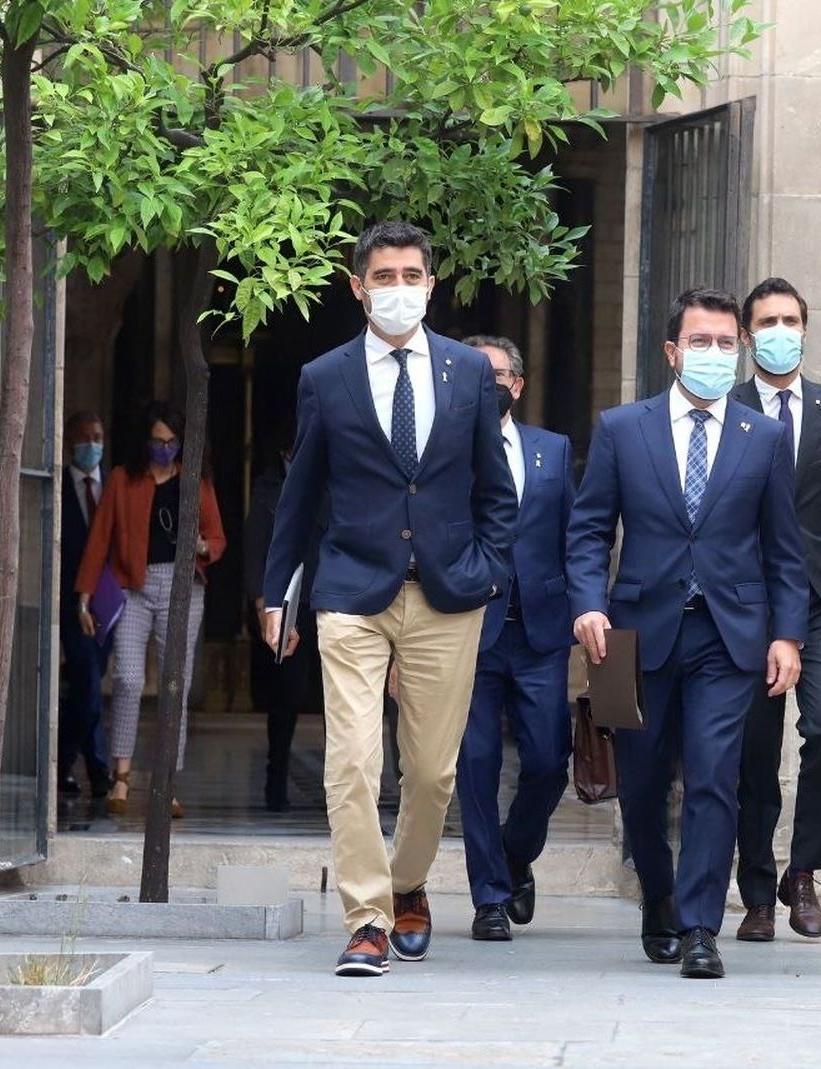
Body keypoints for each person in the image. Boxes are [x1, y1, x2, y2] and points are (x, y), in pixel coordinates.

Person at [262, 221, 517, 978]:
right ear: (358, 286)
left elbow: (495, 490)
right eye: (383, 276)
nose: (398, 288)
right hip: (352, 589)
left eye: (411, 275)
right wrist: (276, 589)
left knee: (433, 773)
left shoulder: (469, 373)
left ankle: (408, 881)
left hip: (448, 594)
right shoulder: (325, 376)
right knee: (352, 762)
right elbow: (300, 494)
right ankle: (368, 919)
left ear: (431, 285)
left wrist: (488, 569)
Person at [567, 287, 807, 980]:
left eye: (727, 343)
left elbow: (784, 549)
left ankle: (701, 926)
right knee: (642, 784)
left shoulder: (763, 437)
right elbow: (588, 529)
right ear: (672, 351)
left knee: (713, 776)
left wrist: (787, 634)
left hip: (729, 637)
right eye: (701, 342)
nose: (715, 353)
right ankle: (659, 896)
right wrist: (588, 604)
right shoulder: (622, 428)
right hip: (634, 637)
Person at [728, 279, 821, 942]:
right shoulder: (725, 406)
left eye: (790, 320)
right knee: (754, 750)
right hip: (749, 601)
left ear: (805, 329)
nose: (780, 331)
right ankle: (757, 890)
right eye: (767, 322)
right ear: (747, 335)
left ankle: (803, 871)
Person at [454, 334, 575, 942]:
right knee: (475, 764)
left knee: (550, 760)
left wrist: (588, 608)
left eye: (497, 375)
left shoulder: (553, 450)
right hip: (466, 629)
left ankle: (513, 852)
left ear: (518, 386)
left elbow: (575, 535)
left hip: (540, 629)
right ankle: (490, 898)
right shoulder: (443, 449)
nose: (487, 384)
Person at [76, 401, 226, 819]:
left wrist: (203, 546)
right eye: (157, 441)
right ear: (145, 441)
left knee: (175, 684)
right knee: (127, 678)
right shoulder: (123, 480)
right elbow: (100, 538)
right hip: (133, 588)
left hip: (183, 588)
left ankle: (167, 782)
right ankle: (121, 776)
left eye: (171, 442)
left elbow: (217, 535)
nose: (164, 448)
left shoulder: (196, 480)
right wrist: (85, 595)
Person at [243, 419, 327, 812]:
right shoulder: (268, 487)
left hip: (331, 597)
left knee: (338, 698)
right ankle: (275, 779)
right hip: (290, 602)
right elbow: (255, 546)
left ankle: (343, 788)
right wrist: (263, 604)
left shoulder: (334, 478)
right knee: (286, 697)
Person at [57, 410, 111, 800]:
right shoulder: (57, 487)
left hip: (107, 603)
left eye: (98, 437)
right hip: (70, 601)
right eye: (85, 437)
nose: (92, 444)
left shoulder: (113, 487)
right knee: (88, 681)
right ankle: (96, 767)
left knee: (86, 685)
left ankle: (65, 762)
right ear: (69, 443)